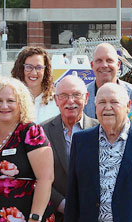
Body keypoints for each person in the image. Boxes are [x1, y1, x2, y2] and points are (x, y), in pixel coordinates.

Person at [64, 82, 132, 222]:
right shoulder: (81, 141)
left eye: (114, 102)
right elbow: (73, 196)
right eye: (102, 102)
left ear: (128, 106)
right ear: (95, 107)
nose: (107, 107)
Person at [0, 76, 54, 222]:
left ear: (21, 104)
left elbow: (45, 178)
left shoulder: (31, 132)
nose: (4, 106)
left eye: (10, 101)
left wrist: (35, 218)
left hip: (25, 216)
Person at [40, 74, 98, 221]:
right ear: (56, 100)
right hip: (56, 214)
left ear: (86, 98)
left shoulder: (100, 129)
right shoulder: (42, 131)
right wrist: (62, 204)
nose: (70, 101)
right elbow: (37, 176)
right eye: (64, 95)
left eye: (76, 95)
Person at [83, 44, 132, 119]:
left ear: (118, 65)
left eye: (109, 60)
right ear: (92, 65)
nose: (104, 65)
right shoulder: (81, 96)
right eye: (99, 61)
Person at [11, 46, 59, 122]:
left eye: (39, 67)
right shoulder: (11, 101)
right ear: (20, 69)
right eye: (29, 67)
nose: (34, 72)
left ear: (45, 71)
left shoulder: (56, 103)